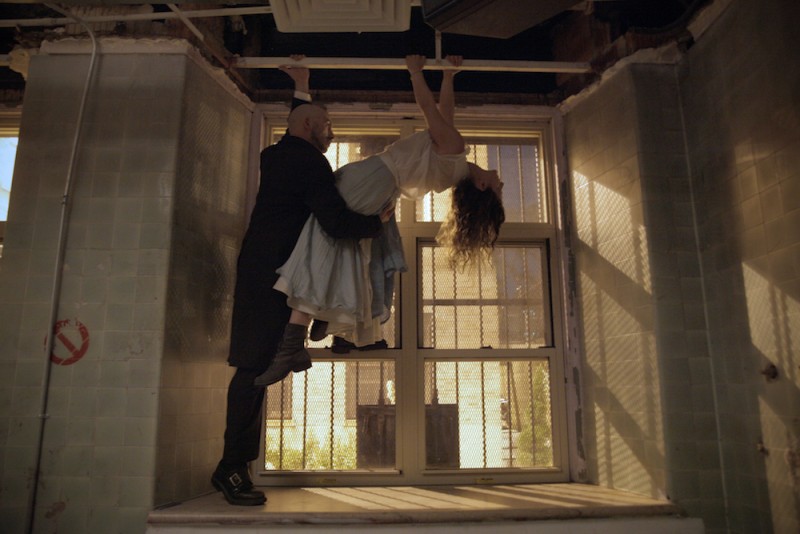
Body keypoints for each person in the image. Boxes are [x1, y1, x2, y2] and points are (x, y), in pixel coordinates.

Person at [254, 55, 505, 388]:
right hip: (378, 183)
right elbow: (446, 116)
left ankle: (294, 343)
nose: (501, 182)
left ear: (482, 186)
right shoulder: (452, 160)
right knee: (332, 247)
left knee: (321, 247)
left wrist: (415, 73)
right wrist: (448, 77)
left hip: (375, 180)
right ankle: (318, 322)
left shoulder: (453, 151)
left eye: (499, 188)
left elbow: (430, 110)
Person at [211, 62, 396, 506]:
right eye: (327, 125)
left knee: (256, 368)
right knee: (254, 369)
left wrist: (301, 87)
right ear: (311, 126)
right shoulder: (310, 162)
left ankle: (236, 465)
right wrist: (377, 222)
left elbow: (298, 123)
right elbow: (335, 222)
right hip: (273, 278)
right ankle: (231, 468)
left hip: (262, 270)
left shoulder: (278, 154)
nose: (332, 133)